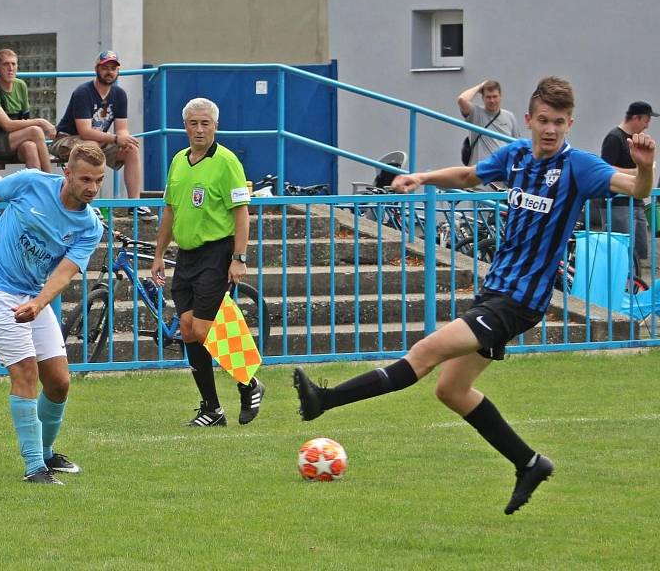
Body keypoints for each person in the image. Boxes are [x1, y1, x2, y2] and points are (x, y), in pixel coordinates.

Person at [293, 77, 656, 514]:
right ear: (528, 119)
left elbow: (636, 189)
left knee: (426, 352)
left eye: (559, 123)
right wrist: (422, 177)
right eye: (543, 120)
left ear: (569, 123)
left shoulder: (579, 166)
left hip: (520, 302)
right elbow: (468, 175)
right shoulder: (518, 156)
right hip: (494, 292)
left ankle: (324, 400)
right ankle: (529, 463)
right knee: (452, 389)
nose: (550, 130)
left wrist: (646, 167)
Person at [0, 141, 106, 484]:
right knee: (25, 372)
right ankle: (34, 467)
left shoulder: (90, 227)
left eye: (98, 180)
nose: (92, 188)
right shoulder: (31, 182)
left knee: (58, 382)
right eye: (85, 179)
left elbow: (64, 273)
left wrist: (38, 303)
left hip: (30, 297)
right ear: (66, 173)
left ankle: (45, 450)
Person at [150, 97, 265, 427]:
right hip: (186, 255)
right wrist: (159, 254)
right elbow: (170, 209)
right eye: (193, 123)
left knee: (203, 328)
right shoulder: (178, 161)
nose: (199, 129)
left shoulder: (227, 161)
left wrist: (239, 258)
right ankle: (212, 409)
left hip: (217, 253)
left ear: (216, 126)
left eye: (205, 123)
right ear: (184, 126)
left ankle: (250, 383)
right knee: (187, 330)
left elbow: (241, 213)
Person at [51, 50, 156, 220]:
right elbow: (84, 131)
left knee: (131, 149)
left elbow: (122, 128)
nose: (110, 72)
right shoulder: (83, 92)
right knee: (91, 147)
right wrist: (115, 138)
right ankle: (90, 204)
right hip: (66, 139)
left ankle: (135, 205)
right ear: (97, 69)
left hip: (96, 140)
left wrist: (124, 139)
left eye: (113, 68)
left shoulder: (119, 94)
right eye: (105, 67)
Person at [596, 101, 657, 277]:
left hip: (636, 202)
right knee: (621, 250)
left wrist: (646, 170)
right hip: (617, 203)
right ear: (635, 118)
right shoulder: (614, 137)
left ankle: (633, 288)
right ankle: (620, 287)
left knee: (638, 252)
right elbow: (605, 168)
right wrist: (637, 172)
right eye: (646, 120)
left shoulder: (635, 140)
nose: (647, 125)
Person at [0, 49, 56, 173]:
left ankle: (36, 187)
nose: (10, 68)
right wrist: (41, 122)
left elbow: (25, 119)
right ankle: (51, 181)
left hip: (13, 140)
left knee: (30, 147)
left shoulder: (20, 85)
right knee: (35, 130)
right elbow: (7, 125)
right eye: (5, 64)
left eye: (13, 64)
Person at [458, 80, 521, 166]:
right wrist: (480, 86)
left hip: (502, 172)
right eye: (488, 97)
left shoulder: (510, 116)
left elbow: (517, 145)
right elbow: (462, 99)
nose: (492, 100)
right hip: (479, 172)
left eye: (495, 96)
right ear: (482, 98)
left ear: (500, 97)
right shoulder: (476, 112)